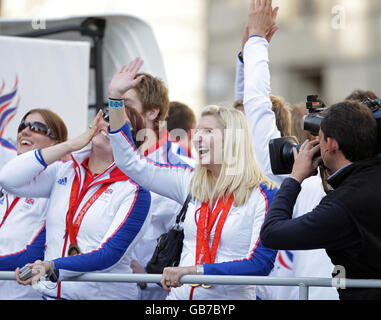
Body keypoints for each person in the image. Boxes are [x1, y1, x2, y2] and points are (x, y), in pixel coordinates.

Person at [106, 57, 278, 300]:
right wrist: (114, 100)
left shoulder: (264, 193)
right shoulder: (189, 182)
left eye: (208, 132)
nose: (197, 138)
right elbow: (130, 163)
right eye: (198, 132)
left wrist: (196, 272)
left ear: (233, 140)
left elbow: (259, 265)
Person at [236, 0, 338, 299]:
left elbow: (255, 114)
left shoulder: (299, 185)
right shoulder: (362, 183)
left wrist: (256, 45)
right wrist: (248, 57)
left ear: (329, 144)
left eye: (317, 135)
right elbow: (248, 115)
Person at [0, 107, 151, 300]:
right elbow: (8, 179)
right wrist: (70, 145)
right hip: (51, 295)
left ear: (132, 142)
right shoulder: (65, 170)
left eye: (122, 124)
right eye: (106, 117)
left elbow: (109, 255)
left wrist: (53, 266)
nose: (110, 124)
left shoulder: (135, 189)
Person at [260, 100, 381, 300]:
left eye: (320, 139)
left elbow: (272, 233)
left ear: (331, 144)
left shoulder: (343, 205)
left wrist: (294, 178)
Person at [121, 70, 194, 300]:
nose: (114, 112)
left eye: (125, 104)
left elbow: (190, 240)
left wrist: (147, 276)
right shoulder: (108, 158)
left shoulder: (183, 168)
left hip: (156, 295)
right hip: (107, 288)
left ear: (152, 112)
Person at [0, 108, 67, 299]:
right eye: (23, 125)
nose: (25, 131)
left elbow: (32, 256)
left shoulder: (59, 187)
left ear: (57, 144)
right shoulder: (6, 181)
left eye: (37, 127)